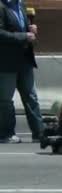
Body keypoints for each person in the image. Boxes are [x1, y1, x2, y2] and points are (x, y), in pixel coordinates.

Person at [0, 0, 43, 143]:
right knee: (6, 100)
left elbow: (23, 27)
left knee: (31, 97)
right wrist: (23, 36)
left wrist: (30, 29)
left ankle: (39, 133)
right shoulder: (1, 7)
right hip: (7, 63)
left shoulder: (21, 5)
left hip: (25, 60)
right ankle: (6, 134)